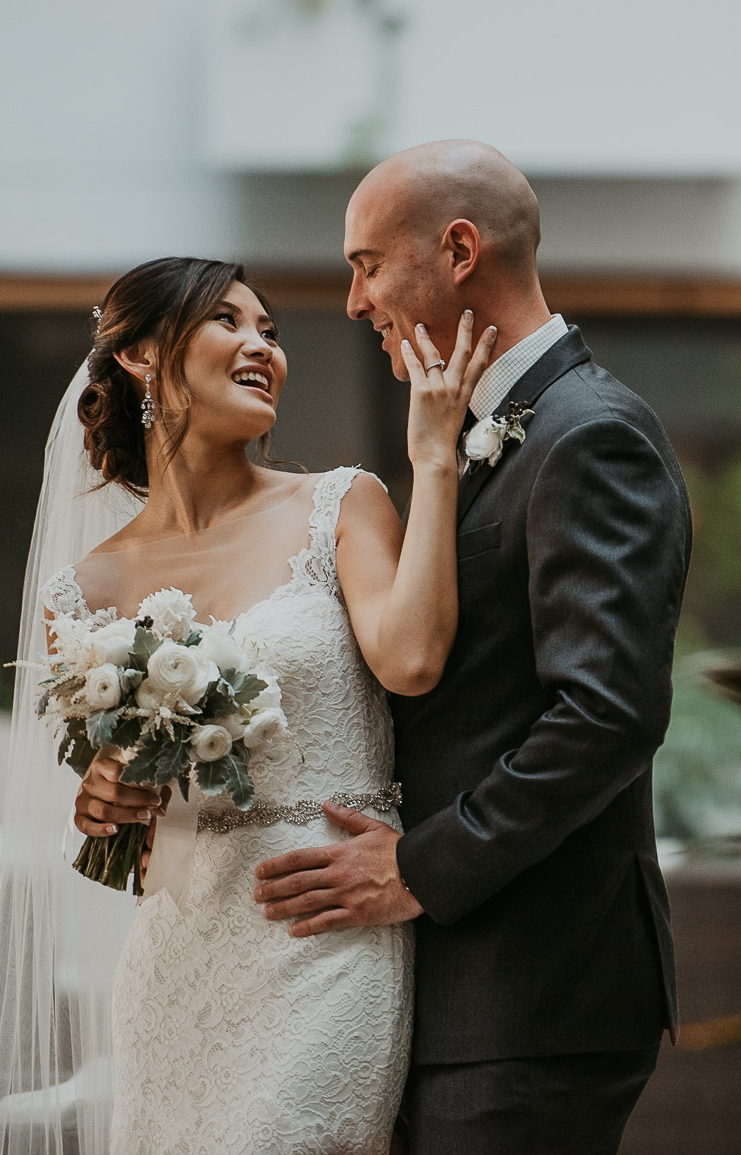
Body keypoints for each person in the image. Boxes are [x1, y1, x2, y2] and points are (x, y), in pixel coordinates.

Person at [0, 255, 493, 1155]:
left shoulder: (342, 505)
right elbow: (118, 830)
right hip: (177, 958)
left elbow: (411, 661)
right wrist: (101, 804)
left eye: (270, 332)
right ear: (139, 357)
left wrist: (433, 456)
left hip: (324, 934)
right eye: (230, 322)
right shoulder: (81, 592)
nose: (262, 347)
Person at [250, 140, 693, 1154]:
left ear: (457, 250)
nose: (356, 302)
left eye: (368, 264)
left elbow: (609, 713)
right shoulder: (476, 437)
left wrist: (419, 864)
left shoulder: (591, 436)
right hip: (456, 996)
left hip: (533, 991)